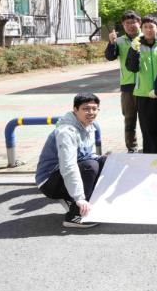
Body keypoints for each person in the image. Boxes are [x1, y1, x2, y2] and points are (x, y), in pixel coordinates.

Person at [35, 93, 105, 228]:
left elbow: (89, 155)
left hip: (63, 176)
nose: (91, 112)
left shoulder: (90, 125)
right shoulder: (66, 132)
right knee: (90, 166)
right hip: (49, 181)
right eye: (86, 109)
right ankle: (75, 215)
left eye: (94, 108)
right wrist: (79, 197)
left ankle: (84, 202)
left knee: (104, 162)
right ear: (75, 109)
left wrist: (107, 159)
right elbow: (68, 166)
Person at [125, 15, 157, 153]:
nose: (149, 30)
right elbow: (132, 68)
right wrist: (134, 51)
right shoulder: (136, 45)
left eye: (151, 27)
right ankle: (150, 158)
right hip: (143, 94)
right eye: (145, 27)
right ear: (142, 29)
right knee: (148, 130)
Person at [105, 10, 141, 153]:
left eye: (133, 22)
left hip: (146, 85)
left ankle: (151, 148)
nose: (130, 25)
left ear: (139, 23)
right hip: (128, 86)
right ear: (123, 25)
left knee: (149, 120)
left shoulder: (146, 37)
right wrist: (111, 42)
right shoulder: (119, 41)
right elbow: (110, 56)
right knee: (129, 119)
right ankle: (132, 148)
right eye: (127, 23)